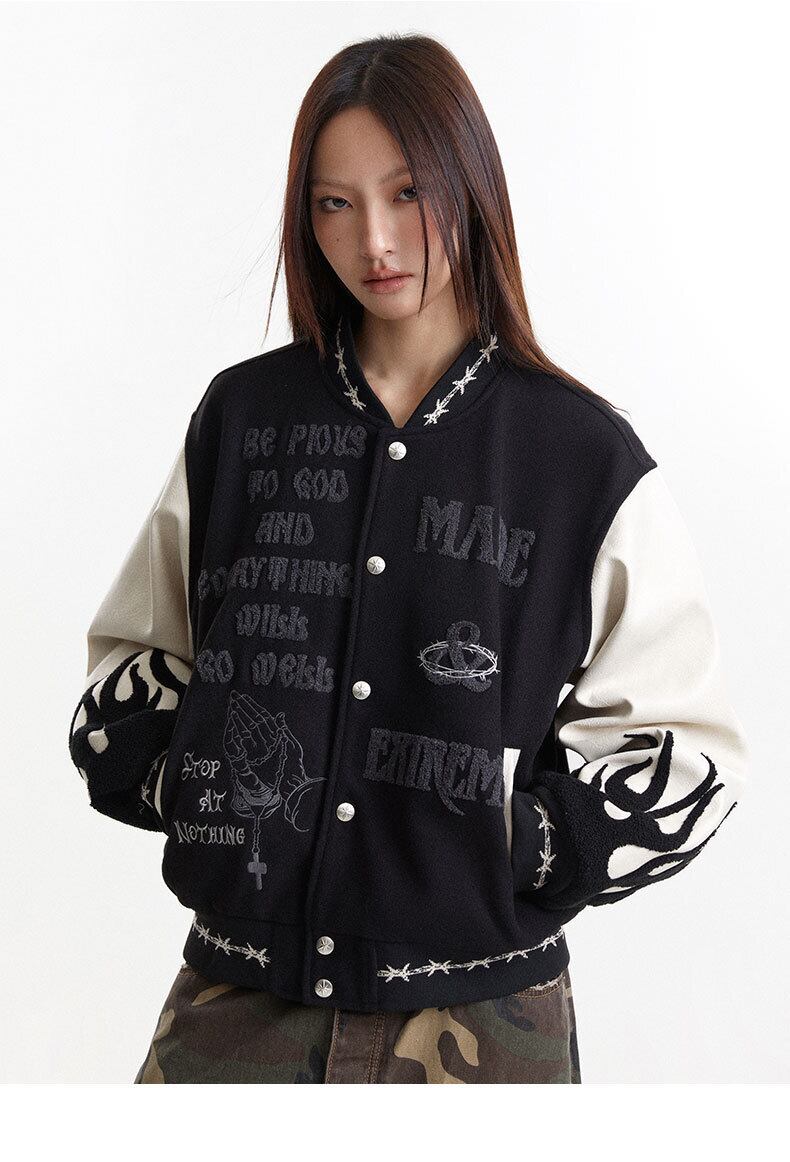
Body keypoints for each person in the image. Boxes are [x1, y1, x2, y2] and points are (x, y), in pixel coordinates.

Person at [67, 33, 748, 1084]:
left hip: (487, 1023)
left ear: (470, 185)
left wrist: (520, 840)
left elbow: (684, 747)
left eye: (407, 193)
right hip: (238, 1000)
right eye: (334, 204)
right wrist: (201, 787)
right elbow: (134, 660)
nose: (375, 241)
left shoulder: (581, 456)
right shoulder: (244, 418)